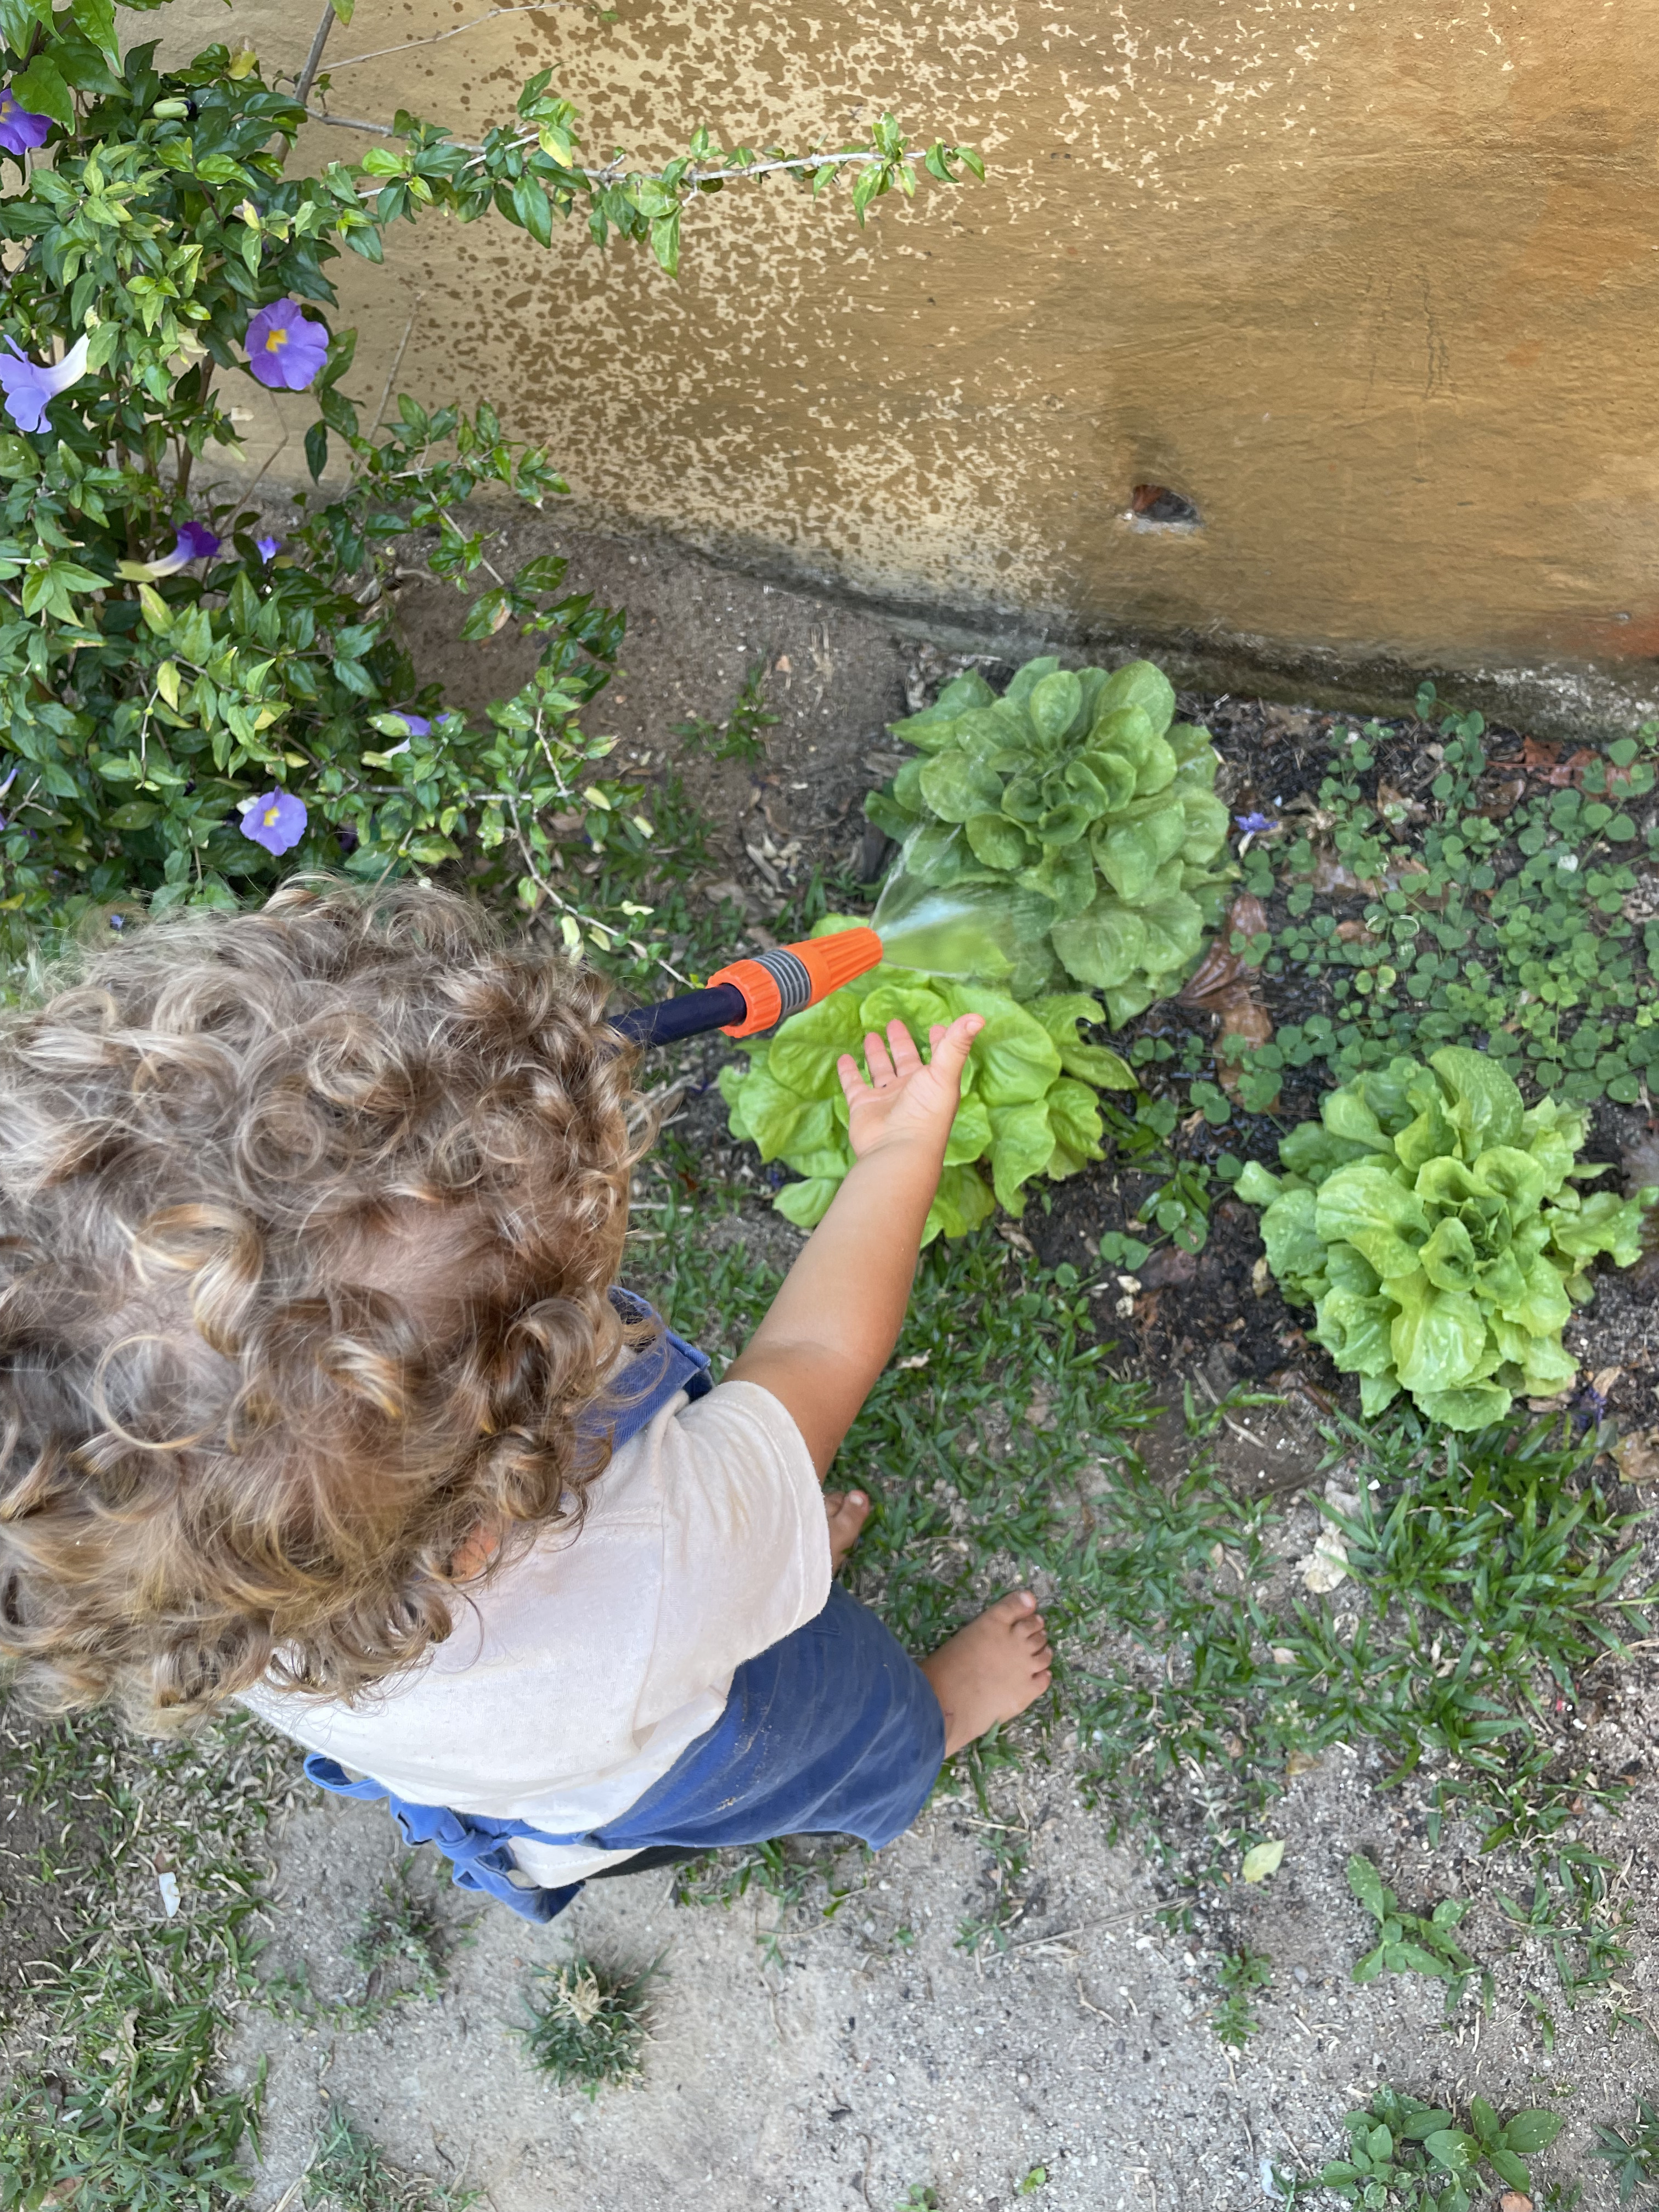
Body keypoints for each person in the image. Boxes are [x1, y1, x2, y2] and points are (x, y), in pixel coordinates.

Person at [0, 881, 1052, 1919]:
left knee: (739, 1543)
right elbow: (819, 1348)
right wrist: (903, 1154)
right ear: (480, 1530)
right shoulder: (660, 1548)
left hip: (534, 1753)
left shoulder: (190, 1577)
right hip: (683, 1735)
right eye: (575, 1301)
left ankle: (774, 1546)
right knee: (848, 1714)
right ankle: (931, 1720)